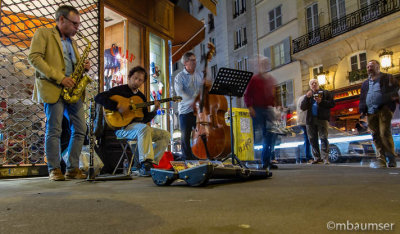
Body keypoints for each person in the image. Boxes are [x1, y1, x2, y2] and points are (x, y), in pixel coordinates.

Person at [28, 5, 90, 181]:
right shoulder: (44, 33)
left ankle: (72, 168)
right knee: (54, 129)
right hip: (53, 87)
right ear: (61, 19)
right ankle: (54, 168)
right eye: (74, 24)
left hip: (73, 90)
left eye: (78, 24)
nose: (77, 28)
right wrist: (60, 78)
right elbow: (34, 58)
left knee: (80, 129)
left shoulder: (74, 42)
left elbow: (72, 65)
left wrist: (83, 68)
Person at [95, 66, 171, 176]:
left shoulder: (141, 97)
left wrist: (155, 110)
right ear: (129, 77)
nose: (137, 81)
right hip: (122, 129)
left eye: (140, 80)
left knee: (165, 135)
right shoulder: (119, 90)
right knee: (144, 129)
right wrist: (117, 106)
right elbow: (98, 97)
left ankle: (150, 164)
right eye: (135, 78)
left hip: (138, 129)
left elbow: (144, 119)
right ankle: (145, 163)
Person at [359, 60, 399, 168]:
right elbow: (362, 98)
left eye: (371, 66)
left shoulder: (387, 77)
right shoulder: (365, 83)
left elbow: (396, 90)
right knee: (375, 135)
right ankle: (381, 159)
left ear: (378, 67)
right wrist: (362, 109)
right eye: (367, 67)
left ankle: (391, 159)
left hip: (384, 109)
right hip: (370, 111)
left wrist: (387, 98)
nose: (369, 68)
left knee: (384, 133)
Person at [244, 56, 278, 170]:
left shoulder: (270, 79)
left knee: (269, 135)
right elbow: (247, 94)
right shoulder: (254, 79)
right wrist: (250, 107)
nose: (265, 65)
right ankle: (250, 159)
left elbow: (273, 95)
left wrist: (276, 106)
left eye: (266, 63)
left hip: (267, 109)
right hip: (257, 109)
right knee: (255, 135)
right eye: (263, 64)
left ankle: (266, 161)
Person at [174, 52, 204, 161]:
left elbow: (203, 91)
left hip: (199, 112)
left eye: (195, 60)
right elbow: (180, 93)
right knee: (185, 138)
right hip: (185, 111)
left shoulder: (200, 74)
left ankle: (199, 155)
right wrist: (192, 101)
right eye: (192, 60)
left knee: (200, 136)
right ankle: (187, 159)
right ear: (185, 62)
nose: (195, 62)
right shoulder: (179, 77)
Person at [301, 79, 335, 164]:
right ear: (310, 86)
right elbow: (302, 107)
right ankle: (317, 157)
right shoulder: (308, 95)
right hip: (311, 120)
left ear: (318, 84)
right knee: (312, 139)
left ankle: (325, 158)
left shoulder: (326, 93)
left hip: (322, 119)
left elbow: (332, 104)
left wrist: (321, 102)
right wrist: (306, 97)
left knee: (323, 138)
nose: (314, 84)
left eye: (315, 83)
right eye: (312, 83)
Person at [296, 94, 313, 164]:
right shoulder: (305, 98)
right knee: (308, 139)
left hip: (303, 121)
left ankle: (306, 156)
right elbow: (303, 108)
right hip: (305, 121)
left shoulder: (301, 98)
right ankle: (309, 157)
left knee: (307, 139)